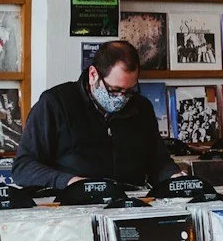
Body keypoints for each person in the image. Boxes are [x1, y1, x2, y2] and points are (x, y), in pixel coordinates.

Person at [11, 40, 169, 189]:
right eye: (114, 90)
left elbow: (159, 162)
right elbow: (24, 168)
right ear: (93, 75)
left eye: (129, 91)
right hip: (71, 203)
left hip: (129, 201)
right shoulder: (55, 103)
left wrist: (174, 177)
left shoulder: (141, 107)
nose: (122, 98)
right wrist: (69, 182)